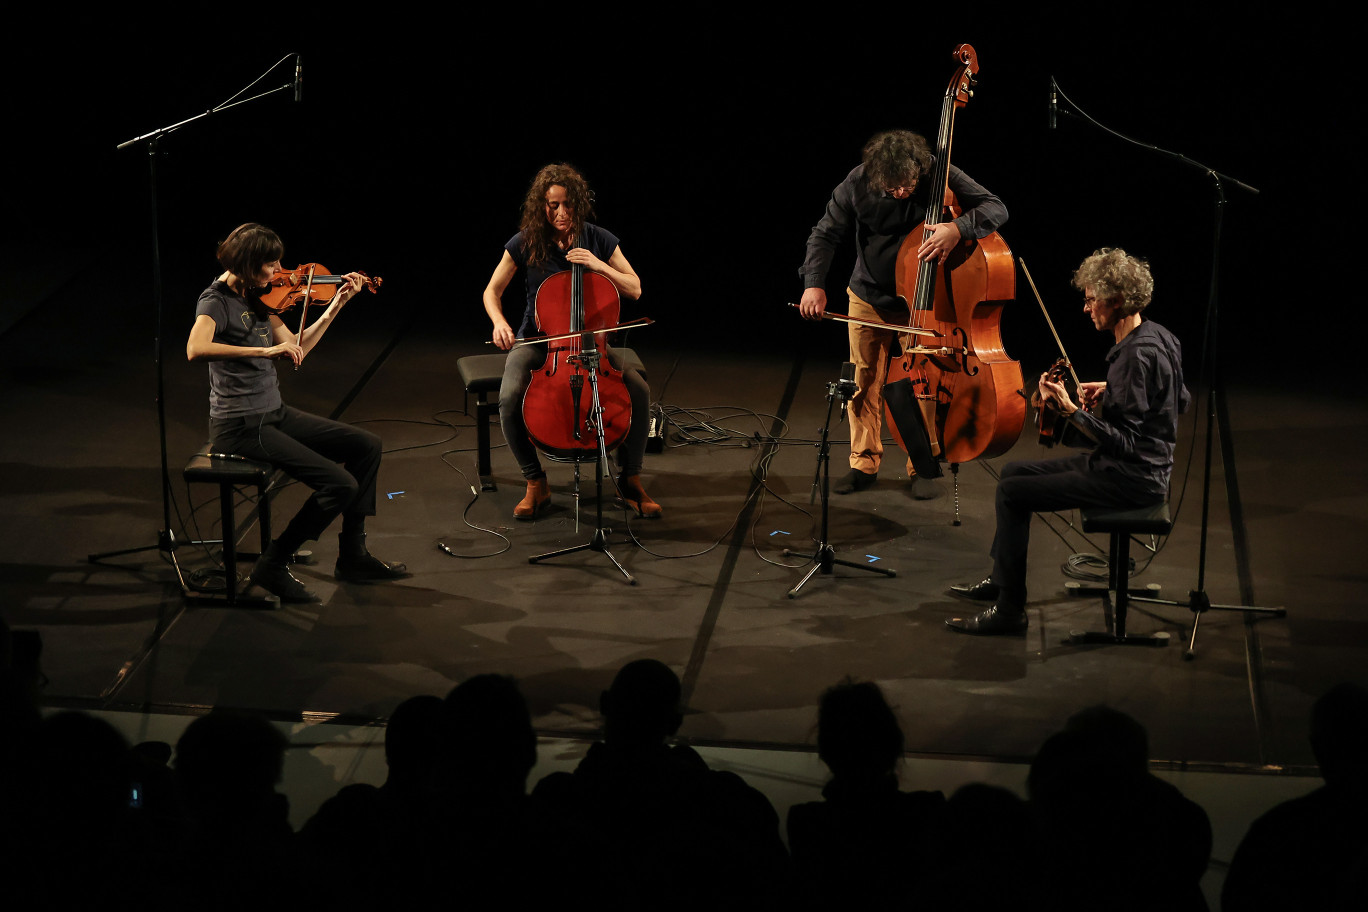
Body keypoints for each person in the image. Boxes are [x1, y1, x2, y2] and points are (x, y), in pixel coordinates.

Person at [947, 248, 1189, 635]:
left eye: (1091, 300)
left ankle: (1010, 610)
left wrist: (1069, 409)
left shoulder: (1134, 357)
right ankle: (1001, 577)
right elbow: (1178, 400)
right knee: (1012, 471)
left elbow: (1124, 444)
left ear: (1118, 301)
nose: (1086, 308)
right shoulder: (1159, 336)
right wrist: (1114, 392)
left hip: (1131, 478)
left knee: (1013, 493)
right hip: (1141, 469)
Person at [186, 222, 407, 604]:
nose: (277, 273)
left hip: (272, 412)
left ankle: (353, 555)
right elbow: (195, 348)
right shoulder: (215, 300)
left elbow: (295, 345)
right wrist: (263, 352)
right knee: (339, 483)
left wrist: (337, 304)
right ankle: (273, 562)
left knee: (365, 445)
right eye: (269, 265)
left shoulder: (259, 297)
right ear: (247, 262)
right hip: (238, 424)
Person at [798, 129, 1008, 494]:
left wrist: (957, 229)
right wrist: (813, 282)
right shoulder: (857, 181)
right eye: (893, 188)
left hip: (923, 303)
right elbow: (825, 234)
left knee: (922, 384)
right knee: (862, 382)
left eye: (907, 185)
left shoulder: (935, 170)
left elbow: (996, 207)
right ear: (877, 176)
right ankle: (863, 462)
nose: (901, 193)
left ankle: (921, 465)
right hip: (869, 294)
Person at [482, 163, 659, 520]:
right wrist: (499, 322)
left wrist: (598, 264)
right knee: (508, 397)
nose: (561, 213)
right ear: (542, 206)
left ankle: (630, 478)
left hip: (591, 342)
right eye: (552, 206)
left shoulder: (598, 239)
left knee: (639, 391)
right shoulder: (526, 240)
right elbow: (492, 291)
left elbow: (635, 288)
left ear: (578, 203)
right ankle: (535, 481)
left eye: (567, 205)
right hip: (537, 341)